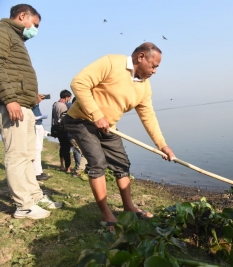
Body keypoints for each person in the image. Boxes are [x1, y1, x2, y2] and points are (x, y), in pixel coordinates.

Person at [64, 42, 175, 225]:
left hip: (109, 126)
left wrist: (162, 145)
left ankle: (129, 207)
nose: (155, 71)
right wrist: (97, 114)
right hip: (81, 120)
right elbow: (79, 83)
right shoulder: (111, 62)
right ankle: (106, 215)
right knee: (97, 162)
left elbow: (148, 116)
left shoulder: (145, 87)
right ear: (141, 57)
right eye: (154, 65)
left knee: (121, 163)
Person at [0, 4, 62, 219]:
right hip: (10, 105)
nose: (35, 30)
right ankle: (23, 205)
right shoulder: (0, 31)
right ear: (23, 16)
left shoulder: (16, 38)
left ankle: (34, 195)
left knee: (29, 155)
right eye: (35, 25)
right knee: (18, 155)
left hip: (24, 105)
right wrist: (9, 99)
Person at [32, 93, 52, 181]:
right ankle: (36, 173)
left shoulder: (35, 105)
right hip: (35, 125)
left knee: (38, 149)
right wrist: (36, 102)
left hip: (39, 125)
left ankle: (39, 171)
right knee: (36, 149)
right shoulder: (31, 103)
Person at [51, 89, 72, 173]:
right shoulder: (63, 106)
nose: (70, 99)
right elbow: (64, 119)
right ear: (66, 97)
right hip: (63, 129)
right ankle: (68, 167)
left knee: (62, 147)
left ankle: (62, 165)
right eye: (69, 97)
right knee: (67, 148)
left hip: (57, 129)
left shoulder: (55, 104)